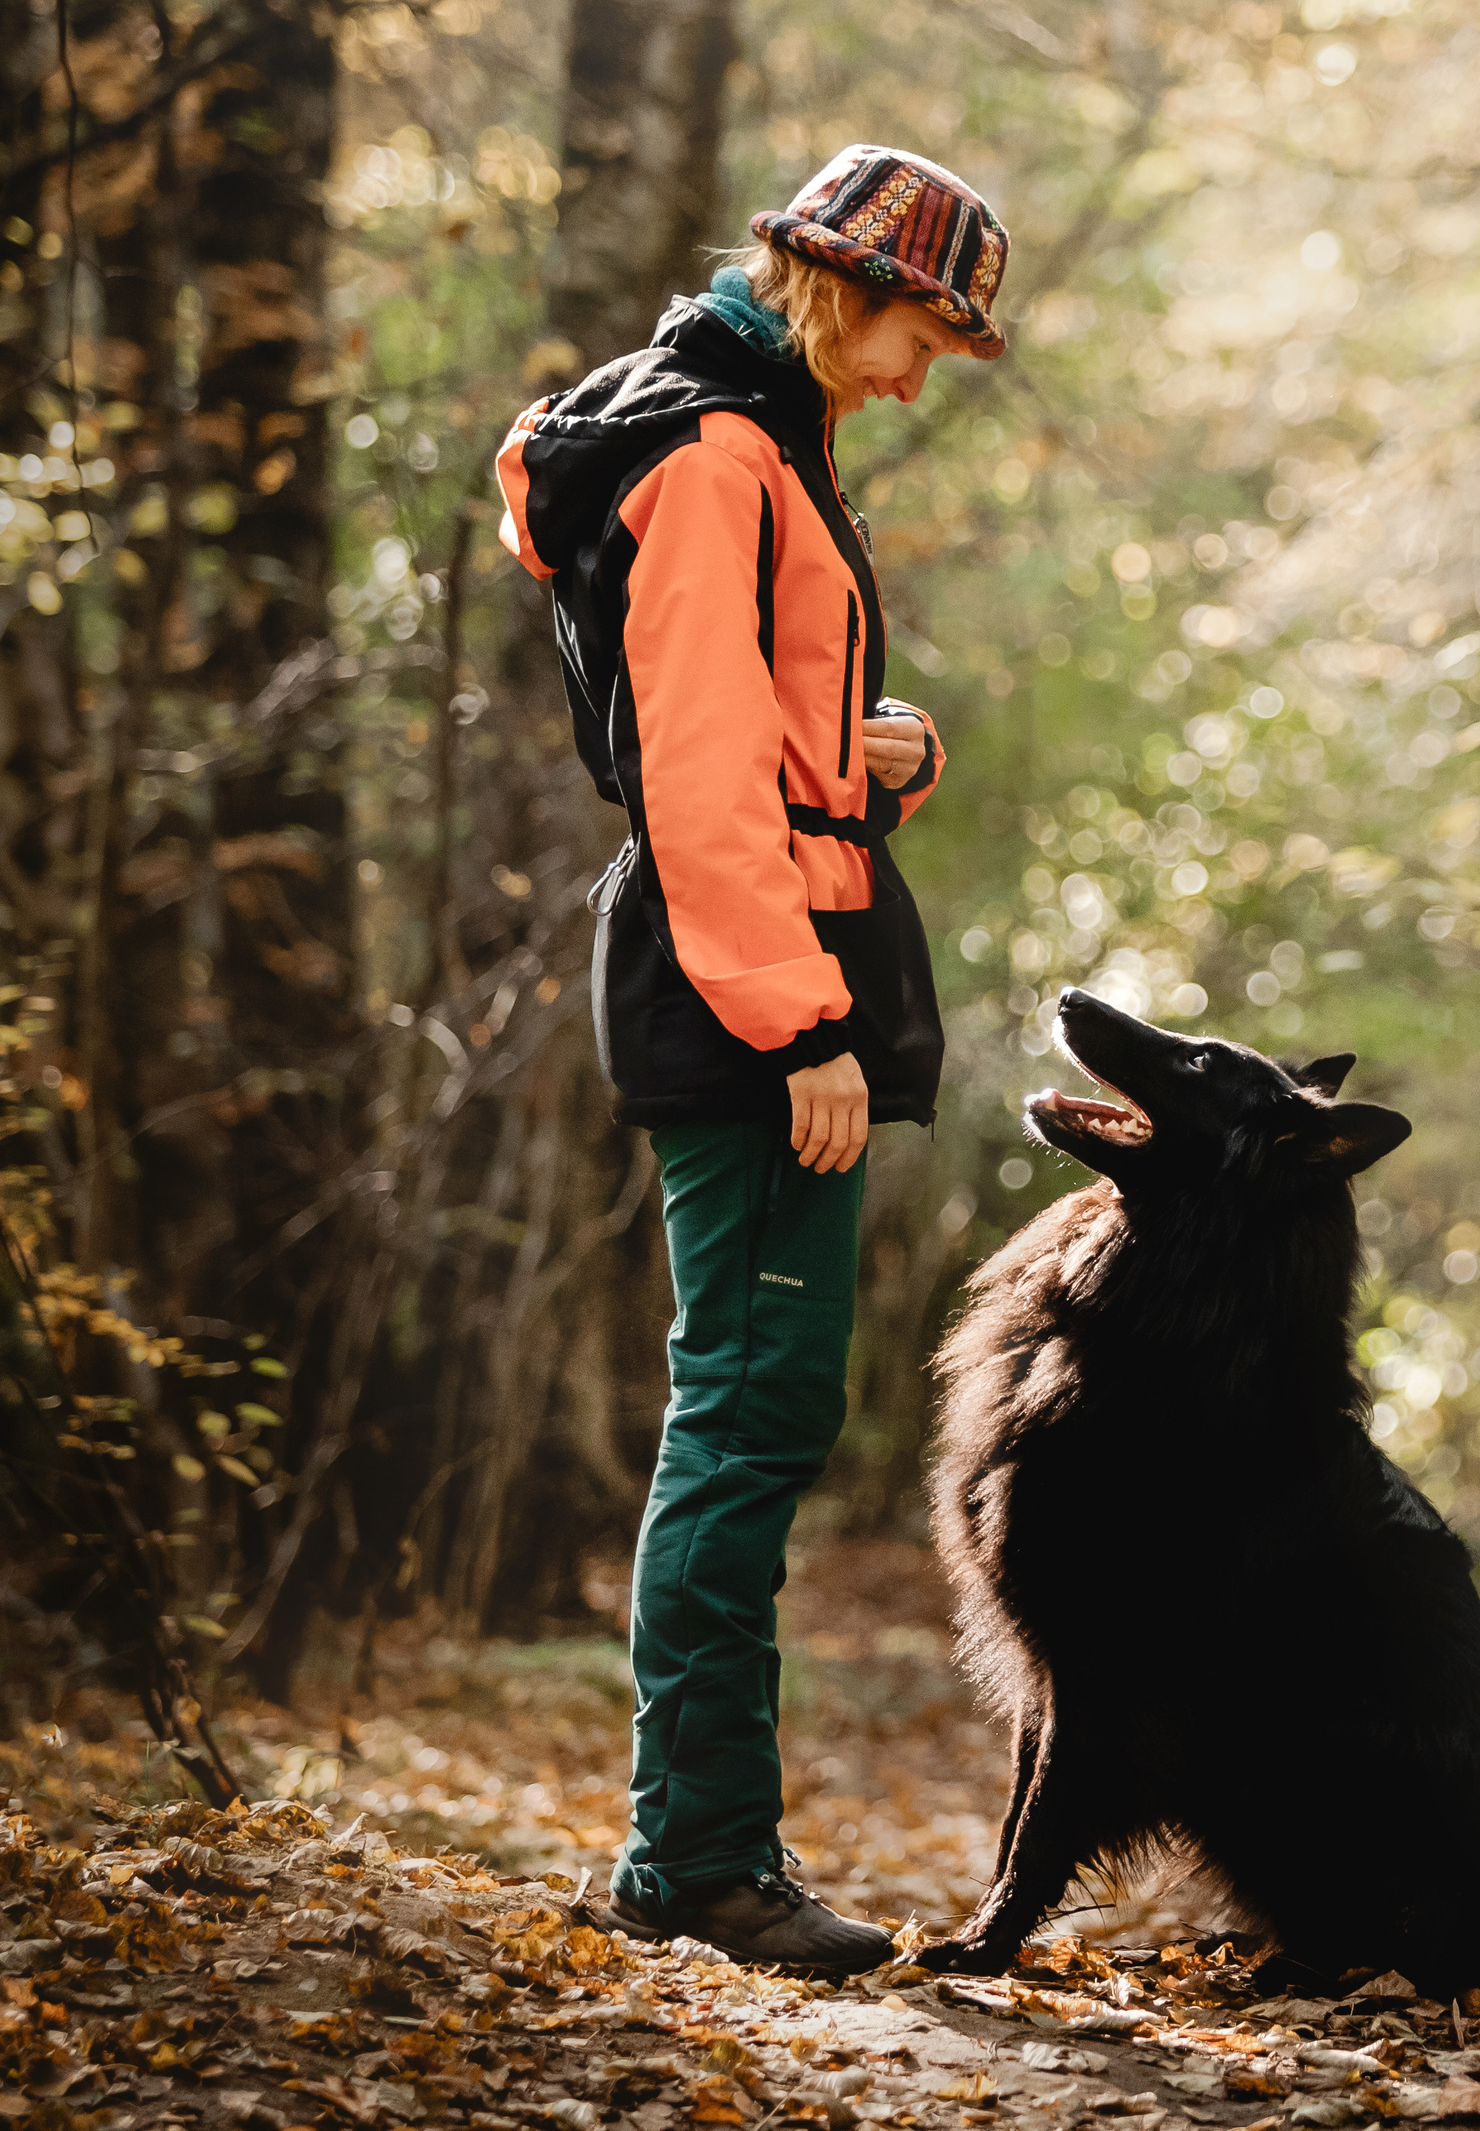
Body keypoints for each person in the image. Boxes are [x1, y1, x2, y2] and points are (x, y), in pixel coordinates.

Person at [492, 144, 1009, 1973]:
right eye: (921, 329)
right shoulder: (717, 460)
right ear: (834, 284)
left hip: (777, 953)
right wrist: (803, 1024)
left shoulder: (763, 441)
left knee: (759, 1408)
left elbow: (759, 735)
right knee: (747, 1416)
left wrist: (880, 752)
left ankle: (695, 1848)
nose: (921, 366)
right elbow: (697, 775)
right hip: (754, 990)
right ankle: (695, 1859)